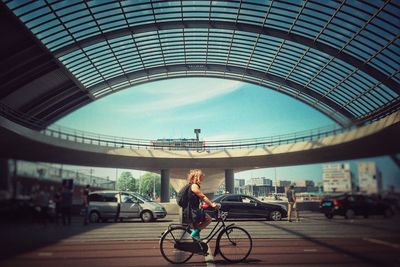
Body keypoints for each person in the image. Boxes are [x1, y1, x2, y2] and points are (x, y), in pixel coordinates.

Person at [185, 169, 219, 241]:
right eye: (202, 175)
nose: (204, 175)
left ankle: (198, 249)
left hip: (193, 210)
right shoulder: (194, 186)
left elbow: (197, 199)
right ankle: (195, 236)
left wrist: (209, 203)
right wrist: (212, 204)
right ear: (197, 177)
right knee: (209, 219)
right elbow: (202, 196)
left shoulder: (194, 186)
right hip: (192, 211)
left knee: (196, 232)